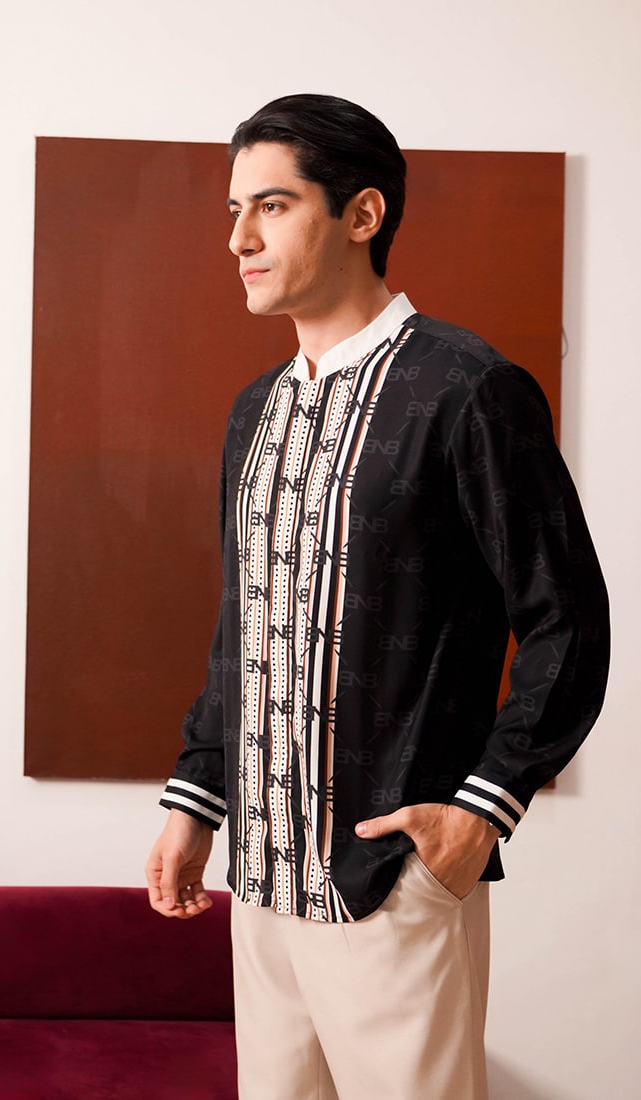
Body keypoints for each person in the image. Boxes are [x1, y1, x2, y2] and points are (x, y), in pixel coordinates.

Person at [145, 93, 610, 1100]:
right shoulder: (257, 411)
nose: (238, 239)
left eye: (271, 206)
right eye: (233, 210)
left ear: (362, 214)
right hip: (260, 880)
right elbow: (245, 623)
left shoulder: (466, 388)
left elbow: (568, 619)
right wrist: (198, 797)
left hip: (392, 878)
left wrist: (478, 814)